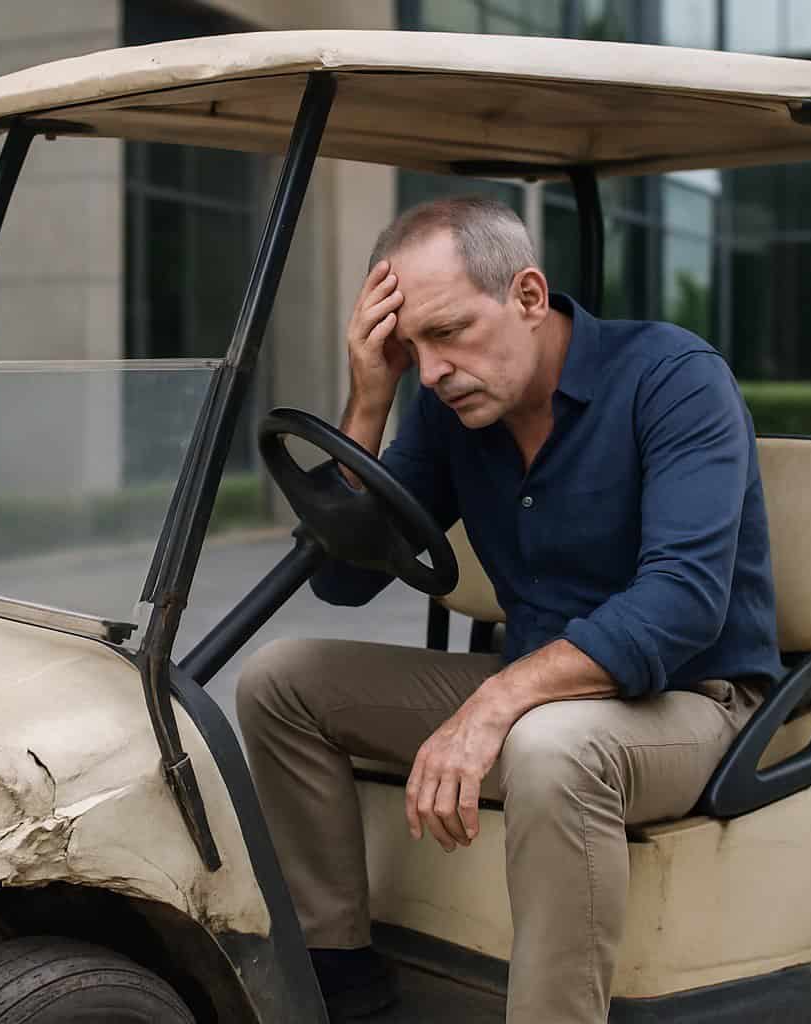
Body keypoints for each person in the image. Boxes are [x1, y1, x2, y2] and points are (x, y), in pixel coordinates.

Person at [236, 196, 783, 1023]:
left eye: (448, 333)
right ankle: (340, 974)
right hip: (538, 691)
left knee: (551, 748)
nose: (432, 370)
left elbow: (684, 603)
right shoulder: (450, 408)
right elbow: (342, 581)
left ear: (528, 296)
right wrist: (369, 401)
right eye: (406, 346)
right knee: (281, 681)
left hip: (688, 699)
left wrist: (493, 703)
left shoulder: (673, 379)